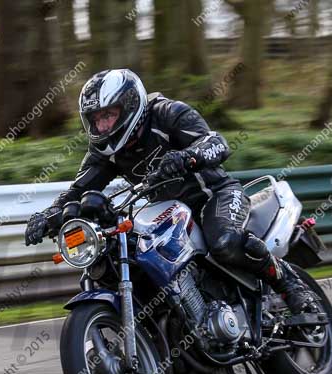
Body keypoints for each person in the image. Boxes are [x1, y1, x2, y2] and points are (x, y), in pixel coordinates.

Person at [24, 69, 315, 314]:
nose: (103, 125)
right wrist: (50, 214)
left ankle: (288, 282)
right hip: (170, 211)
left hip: (216, 195)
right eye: (96, 119)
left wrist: (187, 157)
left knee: (225, 242)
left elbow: (217, 143)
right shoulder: (105, 153)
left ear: (129, 105)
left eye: (109, 115)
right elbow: (78, 191)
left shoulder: (166, 113)